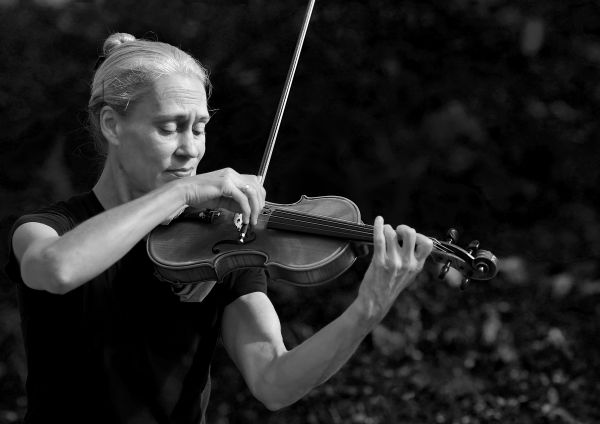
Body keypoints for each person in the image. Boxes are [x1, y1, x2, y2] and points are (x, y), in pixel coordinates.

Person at [5, 33, 433, 424]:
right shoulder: (49, 228)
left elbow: (274, 383)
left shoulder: (221, 245)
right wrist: (182, 194)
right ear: (112, 125)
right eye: (168, 128)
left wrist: (368, 309)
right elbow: (57, 270)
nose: (189, 149)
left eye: (200, 128)